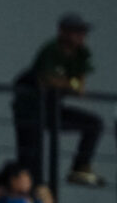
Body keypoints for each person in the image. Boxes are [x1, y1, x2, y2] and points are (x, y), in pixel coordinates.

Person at [11, 12, 101, 188]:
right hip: (29, 110)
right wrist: (69, 84)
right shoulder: (51, 50)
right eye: (76, 31)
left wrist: (66, 84)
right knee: (30, 159)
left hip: (52, 108)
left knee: (93, 124)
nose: (81, 36)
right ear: (63, 32)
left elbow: (79, 87)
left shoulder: (82, 53)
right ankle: (29, 191)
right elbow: (47, 80)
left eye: (83, 32)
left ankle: (80, 168)